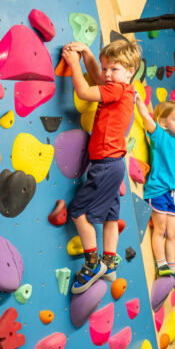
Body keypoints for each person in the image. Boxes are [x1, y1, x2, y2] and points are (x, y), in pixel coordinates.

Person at [62, 39, 141, 293]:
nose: (107, 74)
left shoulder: (116, 90)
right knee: (110, 215)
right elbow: (97, 77)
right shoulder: (122, 88)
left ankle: (93, 264)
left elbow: (86, 91)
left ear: (130, 71)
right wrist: (86, 53)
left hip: (105, 163)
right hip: (114, 163)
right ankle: (109, 260)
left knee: (77, 211)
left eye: (113, 69)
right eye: (106, 68)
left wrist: (74, 64)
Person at [135, 98, 175, 287]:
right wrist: (138, 100)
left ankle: (172, 269)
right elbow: (145, 116)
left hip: (174, 193)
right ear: (163, 122)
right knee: (161, 229)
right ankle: (161, 264)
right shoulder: (159, 135)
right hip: (158, 190)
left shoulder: (174, 140)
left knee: (173, 232)